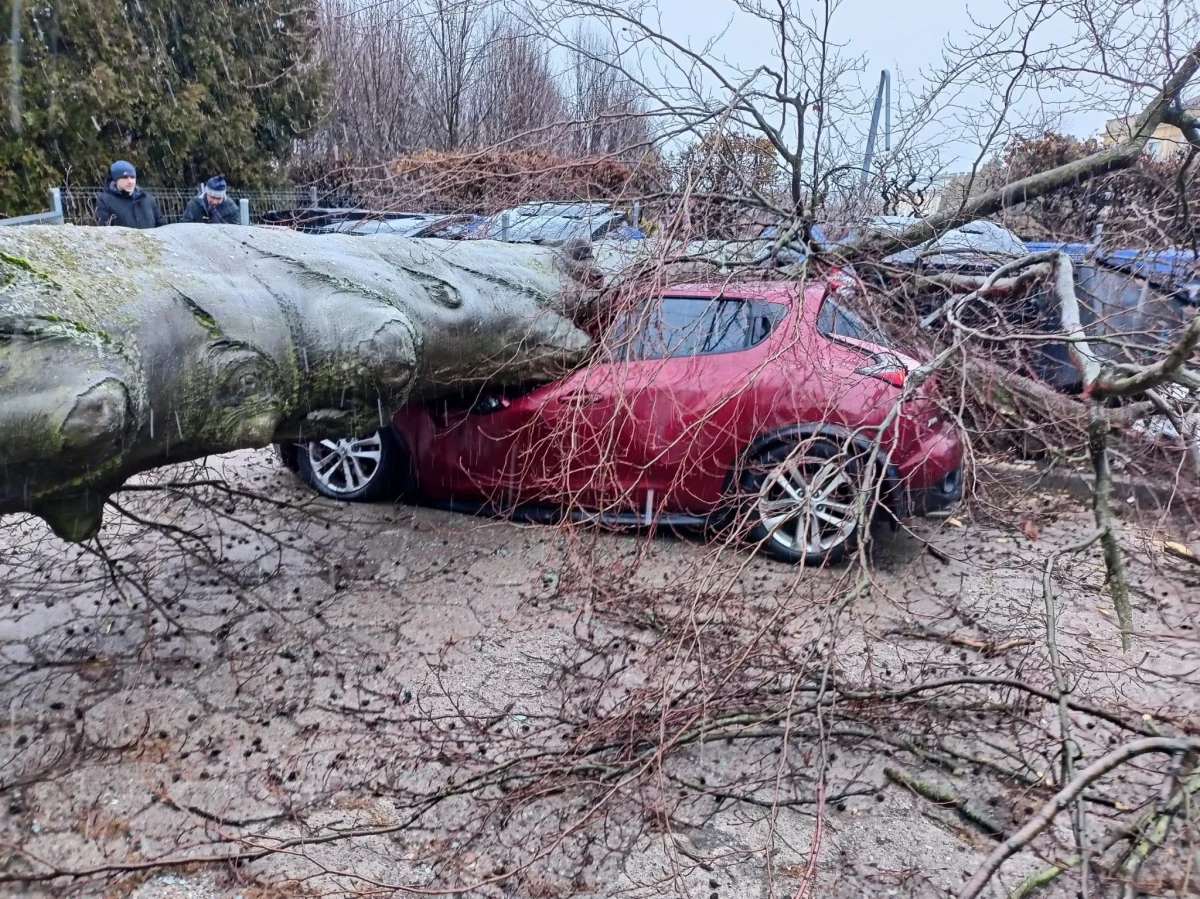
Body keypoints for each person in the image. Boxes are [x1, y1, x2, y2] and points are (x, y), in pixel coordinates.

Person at [95, 161, 166, 229]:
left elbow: (161, 226)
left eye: (132, 177)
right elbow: (104, 231)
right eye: (125, 177)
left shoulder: (147, 199)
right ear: (116, 180)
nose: (130, 181)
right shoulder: (105, 201)